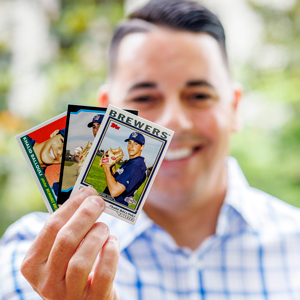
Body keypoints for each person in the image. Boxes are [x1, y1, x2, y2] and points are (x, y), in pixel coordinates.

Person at [1, 1, 300, 299]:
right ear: (107, 111)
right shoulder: (34, 259)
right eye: (145, 97)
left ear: (234, 107)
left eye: (198, 95)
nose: (174, 122)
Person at [102, 132, 147, 206]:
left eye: (136, 143)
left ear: (142, 147)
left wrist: (106, 167)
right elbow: (116, 180)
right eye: (129, 142)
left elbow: (114, 191)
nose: (131, 146)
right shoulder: (133, 162)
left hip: (114, 206)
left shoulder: (135, 166)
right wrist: (112, 164)